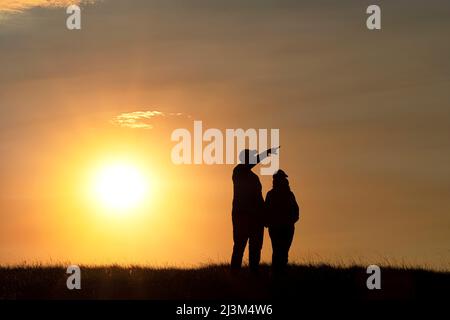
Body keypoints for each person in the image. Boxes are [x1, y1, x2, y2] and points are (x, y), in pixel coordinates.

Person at [231, 147, 279, 272]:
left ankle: (254, 274)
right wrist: (265, 154)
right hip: (242, 216)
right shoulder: (238, 171)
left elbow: (259, 198)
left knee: (256, 248)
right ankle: (235, 275)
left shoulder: (254, 177)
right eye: (251, 157)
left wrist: (265, 216)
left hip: (256, 218)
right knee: (240, 246)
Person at [264, 169, 299, 272]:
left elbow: (296, 211)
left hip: (283, 227)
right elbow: (266, 211)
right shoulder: (274, 195)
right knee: (280, 251)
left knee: (281, 251)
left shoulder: (285, 194)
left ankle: (278, 273)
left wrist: (291, 220)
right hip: (280, 228)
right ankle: (278, 273)